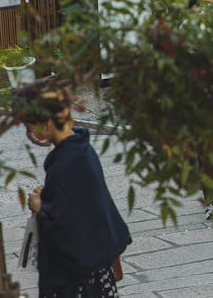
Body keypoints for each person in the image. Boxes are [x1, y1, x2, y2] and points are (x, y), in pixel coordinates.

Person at [22, 86, 131, 297]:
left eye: (30, 126)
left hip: (80, 278)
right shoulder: (81, 149)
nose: (30, 133)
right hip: (97, 265)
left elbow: (65, 225)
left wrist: (40, 206)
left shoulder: (65, 163)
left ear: (47, 124)